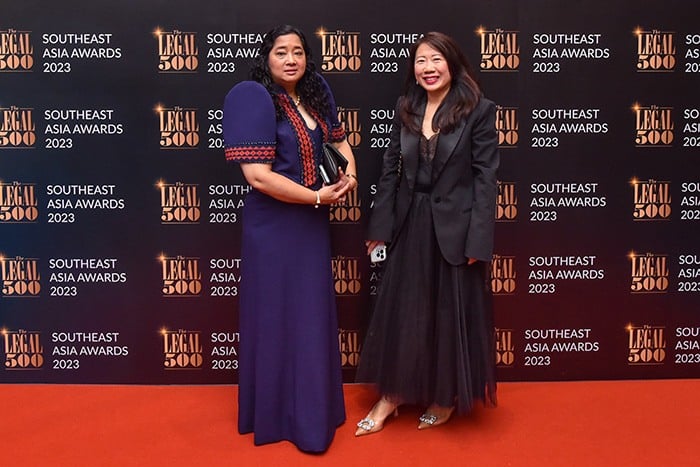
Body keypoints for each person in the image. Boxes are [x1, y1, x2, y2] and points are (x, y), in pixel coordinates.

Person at [355, 31, 499, 436]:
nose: (428, 68)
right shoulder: (407, 107)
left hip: (456, 230)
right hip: (411, 224)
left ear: (452, 64)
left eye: (436, 59)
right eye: (421, 60)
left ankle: (443, 398)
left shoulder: (479, 110)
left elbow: (486, 179)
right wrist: (380, 228)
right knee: (407, 315)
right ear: (413, 69)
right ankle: (391, 396)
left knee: (448, 316)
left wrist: (478, 240)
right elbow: (390, 169)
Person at [222, 24, 357, 452]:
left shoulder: (316, 94)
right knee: (276, 316)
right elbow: (258, 177)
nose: (291, 59)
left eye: (298, 51)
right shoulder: (253, 99)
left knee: (309, 316)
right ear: (267, 57)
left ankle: (314, 414)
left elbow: (340, 143)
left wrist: (349, 177)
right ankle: (278, 416)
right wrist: (317, 196)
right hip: (274, 227)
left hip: (311, 224)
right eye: (281, 51)